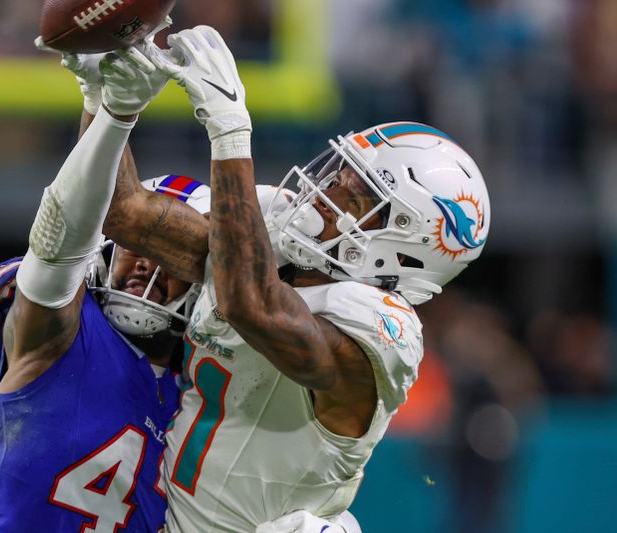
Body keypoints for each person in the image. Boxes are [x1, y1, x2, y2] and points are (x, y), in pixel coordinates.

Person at [94, 26, 491, 531]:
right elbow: (123, 212)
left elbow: (253, 304)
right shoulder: (276, 232)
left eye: (360, 196)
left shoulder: (381, 330)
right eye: (341, 173)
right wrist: (109, 102)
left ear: (403, 249)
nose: (328, 190)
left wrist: (230, 130)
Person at [0, 44, 212, 531]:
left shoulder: (202, 386)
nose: (144, 261)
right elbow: (61, 238)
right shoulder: (64, 334)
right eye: (132, 243)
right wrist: (108, 109)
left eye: (166, 252)